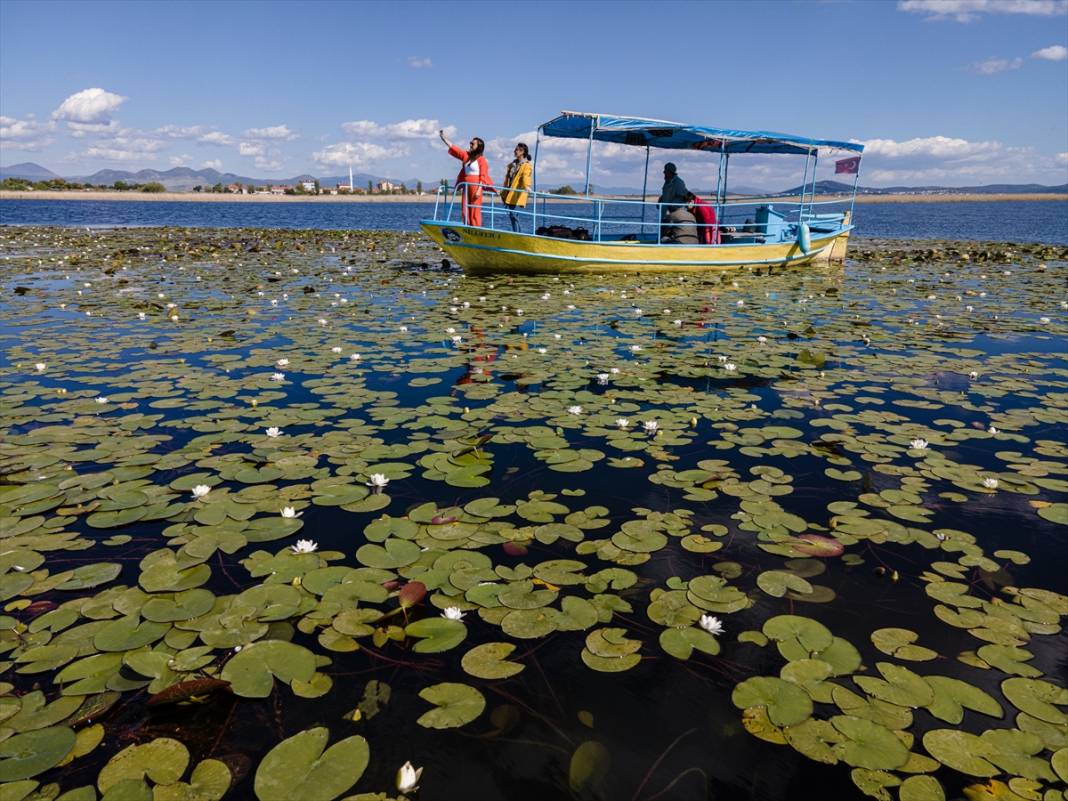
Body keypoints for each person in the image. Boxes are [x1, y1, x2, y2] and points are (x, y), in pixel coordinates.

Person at [440, 130, 493, 226]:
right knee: (465, 208)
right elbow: (455, 149)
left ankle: (476, 227)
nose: (470, 145)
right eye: (470, 143)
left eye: (473, 143)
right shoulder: (466, 156)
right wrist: (444, 139)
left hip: (476, 187)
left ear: (479, 147)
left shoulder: (482, 160)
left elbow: (483, 175)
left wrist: (479, 189)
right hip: (466, 186)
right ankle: (466, 226)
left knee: (474, 210)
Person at [500, 142, 533, 233]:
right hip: (509, 193)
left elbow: (526, 176)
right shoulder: (512, 165)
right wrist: (503, 192)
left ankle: (519, 234)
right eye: (515, 149)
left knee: (514, 216)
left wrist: (527, 186)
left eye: (517, 149)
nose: (515, 151)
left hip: (517, 194)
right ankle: (517, 234)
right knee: (512, 215)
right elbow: (507, 180)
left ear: (522, 152)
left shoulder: (526, 165)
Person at [657, 163, 689, 242]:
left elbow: (686, 195)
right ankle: (661, 243)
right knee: (663, 231)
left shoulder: (679, 182)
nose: (663, 173)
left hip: (674, 213)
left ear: (670, 172)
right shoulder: (667, 181)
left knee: (669, 231)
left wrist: (674, 205)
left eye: (665, 171)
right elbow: (666, 194)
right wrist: (661, 200)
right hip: (666, 213)